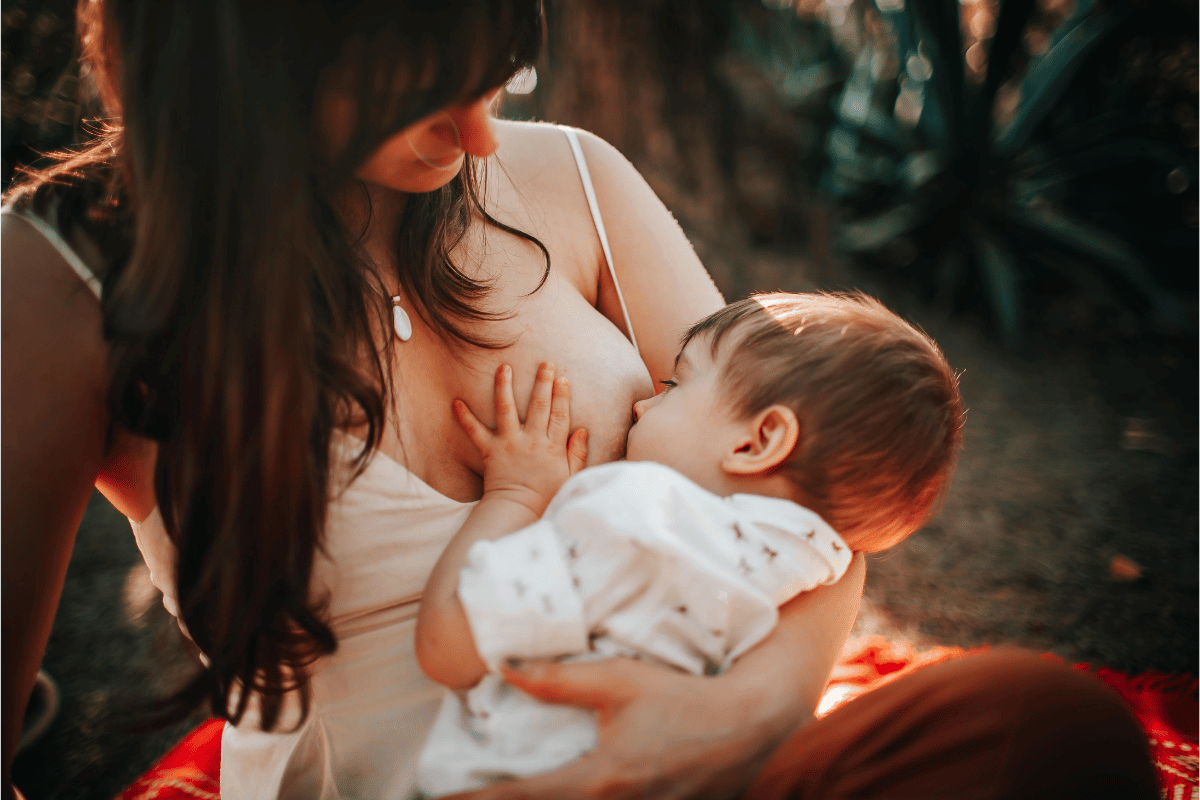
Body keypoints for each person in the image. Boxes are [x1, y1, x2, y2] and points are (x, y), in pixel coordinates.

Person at [0, 1, 1158, 798]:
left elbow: (808, 507)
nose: (479, 136)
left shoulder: (578, 178)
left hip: (714, 768)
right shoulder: (66, 280)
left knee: (1046, 721)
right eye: (423, 93)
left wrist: (742, 714)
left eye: (495, 74)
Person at [413, 291, 964, 795]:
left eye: (676, 384)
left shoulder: (639, 519)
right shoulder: (811, 570)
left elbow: (448, 645)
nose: (643, 405)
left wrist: (516, 493)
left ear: (758, 441)